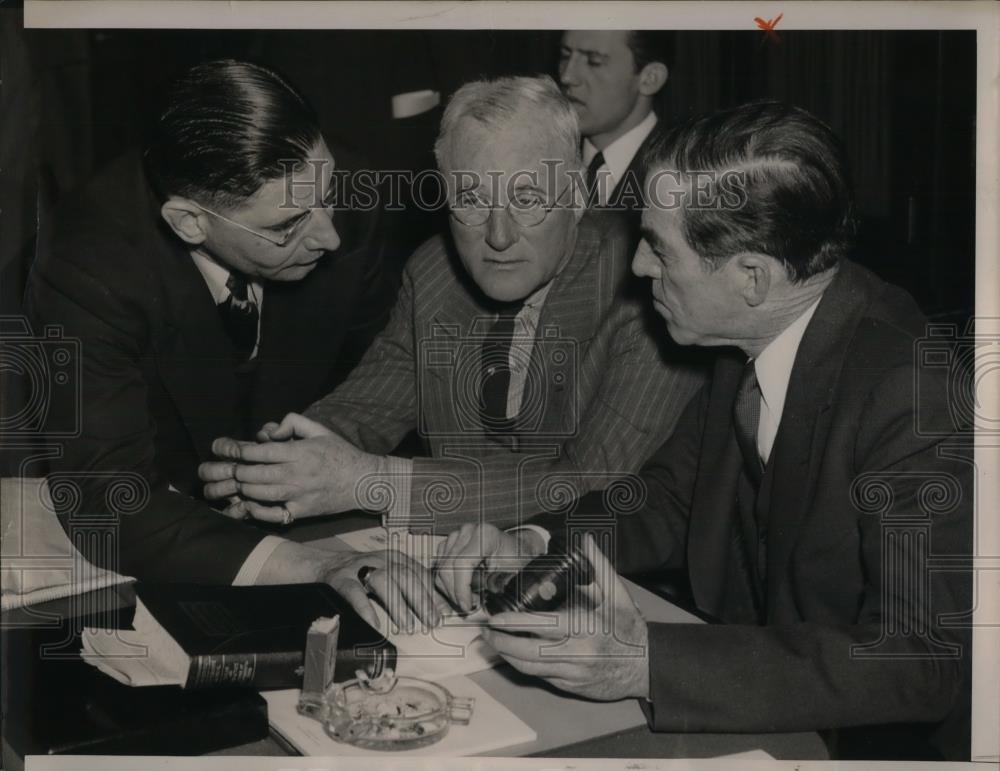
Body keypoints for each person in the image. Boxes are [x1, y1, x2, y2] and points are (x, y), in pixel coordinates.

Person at [433, 101, 972, 760]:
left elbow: (917, 660)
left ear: (753, 277)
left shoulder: (912, 394)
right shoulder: (750, 337)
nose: (638, 266)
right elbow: (666, 501)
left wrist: (643, 662)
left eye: (660, 247)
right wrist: (536, 543)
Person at [25, 59, 436, 629]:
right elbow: (109, 500)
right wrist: (317, 567)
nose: (330, 235)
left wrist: (279, 472)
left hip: (315, 520)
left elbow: (377, 386)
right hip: (162, 540)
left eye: (328, 194)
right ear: (190, 223)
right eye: (287, 226)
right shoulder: (87, 265)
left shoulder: (341, 195)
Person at [200, 75, 706, 533]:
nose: (499, 237)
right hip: (450, 556)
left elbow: (592, 482)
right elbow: (367, 406)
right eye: (471, 200)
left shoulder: (645, 289)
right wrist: (276, 467)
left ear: (576, 195)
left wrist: (371, 482)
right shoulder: (435, 273)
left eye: (527, 199)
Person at [558, 30, 671, 210]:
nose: (567, 76)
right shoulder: (544, 157)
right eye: (565, 56)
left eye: (594, 61)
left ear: (650, 79)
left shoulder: (685, 177)